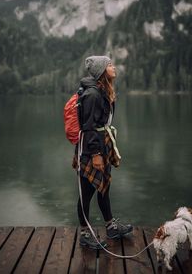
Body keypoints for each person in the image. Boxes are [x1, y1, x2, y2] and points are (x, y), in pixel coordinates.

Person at [72, 55, 133, 250]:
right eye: (109, 65)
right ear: (101, 71)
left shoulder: (103, 91)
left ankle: (111, 227)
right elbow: (89, 127)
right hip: (91, 148)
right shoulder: (93, 95)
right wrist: (96, 154)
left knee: (104, 186)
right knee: (87, 191)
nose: (113, 67)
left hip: (101, 144)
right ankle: (84, 234)